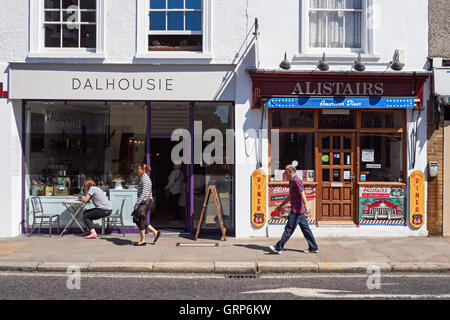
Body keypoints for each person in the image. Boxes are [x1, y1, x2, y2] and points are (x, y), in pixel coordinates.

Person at [269, 164, 319, 254]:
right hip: (299, 211)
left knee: (288, 229)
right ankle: (313, 247)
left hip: (296, 211)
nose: (284, 173)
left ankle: (278, 247)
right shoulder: (292, 181)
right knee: (306, 230)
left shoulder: (296, 181)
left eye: (286, 171)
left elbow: (303, 194)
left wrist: (306, 206)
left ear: (291, 171)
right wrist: (281, 206)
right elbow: (290, 196)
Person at [134, 164, 160, 246]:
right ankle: (155, 232)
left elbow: (144, 194)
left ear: (143, 170)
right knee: (141, 219)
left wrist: (137, 203)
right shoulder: (143, 178)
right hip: (145, 202)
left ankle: (143, 240)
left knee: (141, 220)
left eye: (138, 169)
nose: (137, 171)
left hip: (146, 203)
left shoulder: (145, 179)